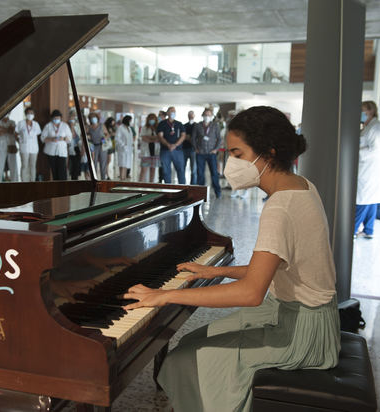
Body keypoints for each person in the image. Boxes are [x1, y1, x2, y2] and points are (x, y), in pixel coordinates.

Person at [123, 106, 340, 412]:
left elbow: (252, 293)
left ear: (268, 153)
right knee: (189, 344)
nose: (230, 163)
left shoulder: (280, 207)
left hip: (301, 336)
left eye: (237, 154)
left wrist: (166, 295)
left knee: (188, 358)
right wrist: (207, 272)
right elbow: (275, 267)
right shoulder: (302, 186)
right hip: (304, 318)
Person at [355, 100, 380, 239]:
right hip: (365, 169)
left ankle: (354, 229)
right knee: (370, 199)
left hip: (369, 170)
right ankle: (368, 230)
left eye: (363, 111)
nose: (361, 114)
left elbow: (376, 150)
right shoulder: (367, 127)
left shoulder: (376, 128)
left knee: (363, 200)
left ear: (371, 111)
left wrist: (357, 153)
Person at [192, 108, 222, 198]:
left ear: (211, 116)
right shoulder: (197, 125)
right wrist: (195, 148)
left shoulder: (215, 125)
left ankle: (218, 192)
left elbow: (219, 139)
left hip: (211, 153)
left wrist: (216, 149)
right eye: (205, 115)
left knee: (214, 173)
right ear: (202, 115)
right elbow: (193, 138)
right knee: (200, 173)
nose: (207, 117)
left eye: (209, 115)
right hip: (200, 153)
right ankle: (201, 193)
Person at [157, 106, 187, 184]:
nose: (173, 113)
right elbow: (160, 136)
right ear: (167, 113)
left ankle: (182, 188)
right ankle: (168, 188)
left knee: (180, 170)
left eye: (174, 111)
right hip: (165, 150)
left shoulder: (179, 124)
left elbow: (183, 135)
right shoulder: (162, 124)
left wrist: (175, 145)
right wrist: (168, 145)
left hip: (178, 150)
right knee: (166, 171)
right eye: (171, 111)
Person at [41, 109, 72, 180]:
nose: (56, 120)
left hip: (62, 152)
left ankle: (64, 187)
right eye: (54, 118)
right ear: (52, 118)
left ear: (61, 118)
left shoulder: (65, 126)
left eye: (58, 118)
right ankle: (56, 187)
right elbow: (42, 138)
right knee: (54, 171)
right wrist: (51, 139)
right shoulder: (48, 126)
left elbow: (70, 138)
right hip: (51, 151)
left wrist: (63, 139)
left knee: (62, 171)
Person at [16, 107, 41, 182]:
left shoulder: (36, 124)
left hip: (34, 148)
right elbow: (16, 133)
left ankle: (32, 181)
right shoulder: (21, 123)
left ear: (34, 115)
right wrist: (19, 141)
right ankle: (24, 181)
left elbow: (38, 134)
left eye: (32, 113)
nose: (30, 115)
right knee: (24, 166)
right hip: (24, 147)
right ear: (25, 114)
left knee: (33, 166)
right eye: (28, 113)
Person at [0, 113, 18, 182]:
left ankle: (15, 182)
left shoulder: (12, 122)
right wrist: (7, 129)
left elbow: (11, 131)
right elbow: (0, 132)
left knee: (13, 165)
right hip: (1, 146)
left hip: (11, 146)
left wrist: (3, 129)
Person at [138, 113, 160, 183]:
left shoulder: (158, 128)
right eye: (150, 119)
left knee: (153, 170)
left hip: (155, 152)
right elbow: (144, 138)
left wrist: (150, 137)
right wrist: (153, 139)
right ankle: (140, 184)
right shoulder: (144, 127)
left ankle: (151, 184)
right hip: (146, 152)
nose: (152, 120)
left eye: (153, 119)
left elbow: (159, 138)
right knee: (143, 170)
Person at [87, 112, 109, 179]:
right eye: (91, 118)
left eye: (94, 118)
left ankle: (103, 179)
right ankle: (95, 179)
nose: (93, 119)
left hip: (102, 146)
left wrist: (104, 138)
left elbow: (107, 134)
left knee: (103, 163)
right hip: (94, 146)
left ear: (97, 118)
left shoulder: (101, 125)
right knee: (94, 163)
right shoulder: (89, 127)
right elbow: (87, 136)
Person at [116, 115, 134, 180]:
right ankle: (121, 178)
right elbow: (118, 138)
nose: (131, 122)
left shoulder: (129, 128)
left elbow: (131, 138)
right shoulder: (120, 128)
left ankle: (124, 178)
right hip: (122, 149)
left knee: (126, 164)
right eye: (130, 121)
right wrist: (123, 145)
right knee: (122, 164)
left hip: (128, 149)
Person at [183, 110, 197, 184]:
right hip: (184, 149)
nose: (190, 116)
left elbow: (196, 137)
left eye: (192, 115)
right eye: (189, 115)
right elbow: (183, 136)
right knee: (183, 168)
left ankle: (193, 184)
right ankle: (183, 184)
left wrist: (190, 138)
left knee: (193, 169)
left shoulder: (197, 125)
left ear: (194, 116)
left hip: (193, 149)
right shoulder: (184, 125)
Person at [67, 111, 82, 180]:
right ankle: (71, 178)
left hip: (77, 147)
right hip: (69, 148)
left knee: (76, 165)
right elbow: (71, 136)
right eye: (71, 116)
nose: (73, 117)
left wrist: (73, 126)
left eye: (74, 116)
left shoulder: (78, 125)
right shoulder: (66, 125)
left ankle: (75, 178)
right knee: (71, 165)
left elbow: (78, 137)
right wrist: (71, 126)